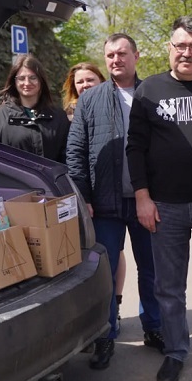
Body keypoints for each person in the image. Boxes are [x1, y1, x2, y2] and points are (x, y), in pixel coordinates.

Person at [126, 16, 192, 381]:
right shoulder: (149, 90)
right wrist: (142, 197)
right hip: (164, 207)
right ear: (169, 48)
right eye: (180, 45)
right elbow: (135, 147)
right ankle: (175, 351)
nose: (187, 52)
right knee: (169, 288)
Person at [66, 33, 163, 370]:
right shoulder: (91, 99)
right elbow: (76, 151)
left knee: (152, 269)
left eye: (122, 53)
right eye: (110, 55)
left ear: (136, 55)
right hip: (104, 204)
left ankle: (154, 327)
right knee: (104, 274)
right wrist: (83, 196)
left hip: (146, 202)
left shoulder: (153, 94)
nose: (116, 60)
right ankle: (105, 335)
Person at [61, 61, 128, 325]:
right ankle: (102, 322)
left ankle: (117, 305)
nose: (85, 85)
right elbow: (73, 154)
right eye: (79, 81)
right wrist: (83, 196)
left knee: (116, 254)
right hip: (88, 198)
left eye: (90, 79)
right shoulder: (65, 115)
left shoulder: (114, 105)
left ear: (101, 80)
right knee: (95, 261)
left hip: (117, 196)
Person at [0, 54, 70, 162]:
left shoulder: (59, 116)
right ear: (14, 82)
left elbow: (67, 157)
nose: (27, 83)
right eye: (21, 78)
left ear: (41, 81)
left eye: (33, 78)